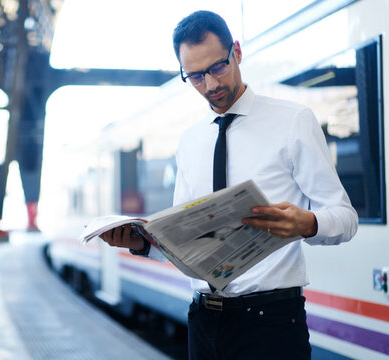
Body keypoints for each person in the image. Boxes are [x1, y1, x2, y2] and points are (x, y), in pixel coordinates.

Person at [99, 10, 357, 360]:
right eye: (195, 76)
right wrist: (143, 244)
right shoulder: (189, 142)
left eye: (218, 67)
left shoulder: (293, 121)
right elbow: (187, 245)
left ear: (236, 52)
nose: (210, 85)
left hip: (272, 324)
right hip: (203, 322)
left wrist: (309, 224)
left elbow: (345, 217)